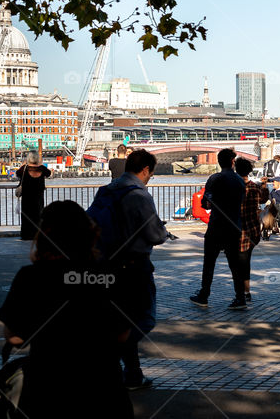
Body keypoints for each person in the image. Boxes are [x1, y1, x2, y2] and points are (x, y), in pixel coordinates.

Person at [0, 201, 133, 418]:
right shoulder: (109, 275)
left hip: (47, 389)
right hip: (104, 389)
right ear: (89, 234)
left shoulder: (31, 277)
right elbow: (124, 334)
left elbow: (15, 337)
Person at [108, 149, 169, 390]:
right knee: (145, 318)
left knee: (123, 320)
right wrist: (163, 232)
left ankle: (133, 375)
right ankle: (109, 355)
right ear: (145, 170)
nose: (150, 178)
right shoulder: (140, 195)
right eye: (151, 174)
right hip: (135, 265)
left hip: (108, 263)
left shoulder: (109, 190)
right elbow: (154, 234)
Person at [190, 148, 247, 310]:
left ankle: (204, 295)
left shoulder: (214, 178)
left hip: (216, 226)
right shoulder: (239, 181)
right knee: (235, 265)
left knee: (209, 263)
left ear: (219, 162)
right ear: (232, 162)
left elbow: (205, 202)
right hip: (234, 225)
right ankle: (240, 297)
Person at [235, 157, 268, 303]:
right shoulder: (255, 187)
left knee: (239, 264)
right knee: (245, 261)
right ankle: (246, 291)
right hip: (253, 231)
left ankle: (242, 293)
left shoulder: (234, 188)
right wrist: (265, 185)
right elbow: (263, 199)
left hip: (239, 230)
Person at [15, 151, 52, 240]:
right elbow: (49, 173)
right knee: (38, 216)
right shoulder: (42, 169)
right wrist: (40, 164)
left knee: (26, 216)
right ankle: (37, 235)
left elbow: (17, 174)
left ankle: (26, 235)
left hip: (27, 197)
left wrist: (23, 164)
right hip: (38, 197)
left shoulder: (24, 168)